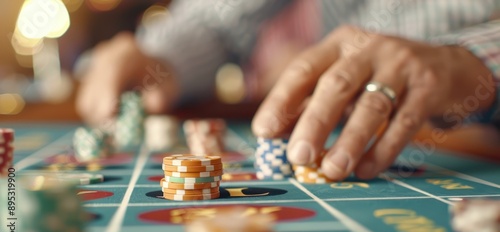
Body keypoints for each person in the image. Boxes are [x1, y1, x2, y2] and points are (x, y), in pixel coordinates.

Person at [77, 0, 500, 181]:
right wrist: (161, 60)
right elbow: (220, 18)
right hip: (327, 126)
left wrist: (475, 65)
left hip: (474, 136)